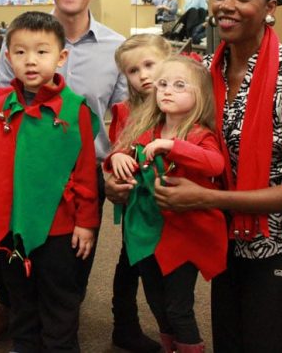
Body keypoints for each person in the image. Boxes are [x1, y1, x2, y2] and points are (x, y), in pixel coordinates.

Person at [128, 0, 282, 352]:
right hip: (227, 237)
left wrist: (205, 198)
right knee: (233, 342)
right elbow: (167, 135)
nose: (226, 5)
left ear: (270, 7)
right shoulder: (204, 74)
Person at [0, 0, 131, 347]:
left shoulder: (116, 48)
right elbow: (2, 113)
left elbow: (128, 117)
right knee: (20, 287)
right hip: (20, 183)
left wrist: (118, 167)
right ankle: (9, 312)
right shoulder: (18, 41)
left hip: (81, 179)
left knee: (64, 286)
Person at [0, 11, 100, 352]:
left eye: (41, 51)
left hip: (59, 229)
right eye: (20, 52)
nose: (30, 61)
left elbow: (85, 170)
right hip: (9, 227)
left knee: (59, 300)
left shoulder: (75, 109)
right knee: (20, 299)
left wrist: (87, 222)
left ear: (61, 57)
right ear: (8, 58)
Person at [107, 56, 226, 353]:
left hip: (183, 236)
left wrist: (173, 146)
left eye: (179, 85)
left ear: (200, 95)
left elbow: (215, 164)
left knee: (177, 307)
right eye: (162, 85)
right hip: (146, 233)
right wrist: (117, 158)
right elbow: (125, 150)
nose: (167, 91)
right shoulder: (149, 127)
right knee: (156, 303)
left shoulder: (199, 134)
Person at [107, 34, 172, 353]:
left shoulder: (182, 101)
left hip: (172, 206)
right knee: (130, 264)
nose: (143, 75)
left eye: (150, 64)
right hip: (138, 208)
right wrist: (115, 157)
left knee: (170, 276)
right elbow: (117, 149)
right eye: (133, 70)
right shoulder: (124, 110)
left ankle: (175, 332)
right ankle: (125, 325)